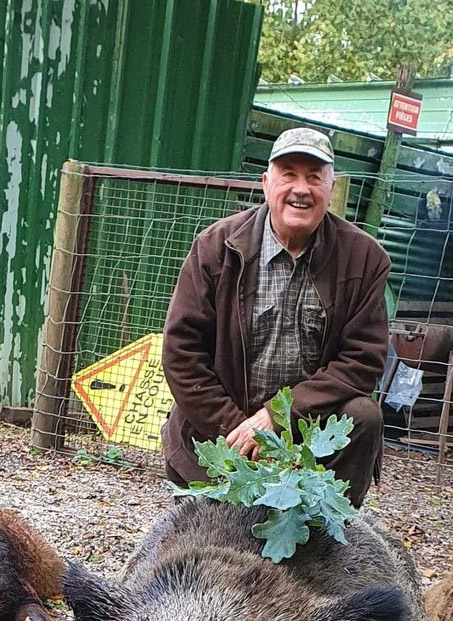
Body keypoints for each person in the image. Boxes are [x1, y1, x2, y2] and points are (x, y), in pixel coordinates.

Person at [161, 126, 390, 508]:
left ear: (330, 189)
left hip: (308, 433)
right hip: (222, 430)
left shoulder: (365, 259)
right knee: (213, 550)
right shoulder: (216, 248)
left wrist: (276, 419)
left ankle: (324, 536)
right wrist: (238, 429)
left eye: (314, 177)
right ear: (266, 183)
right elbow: (181, 352)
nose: (301, 189)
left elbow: (362, 361)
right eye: (288, 175)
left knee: (363, 416)